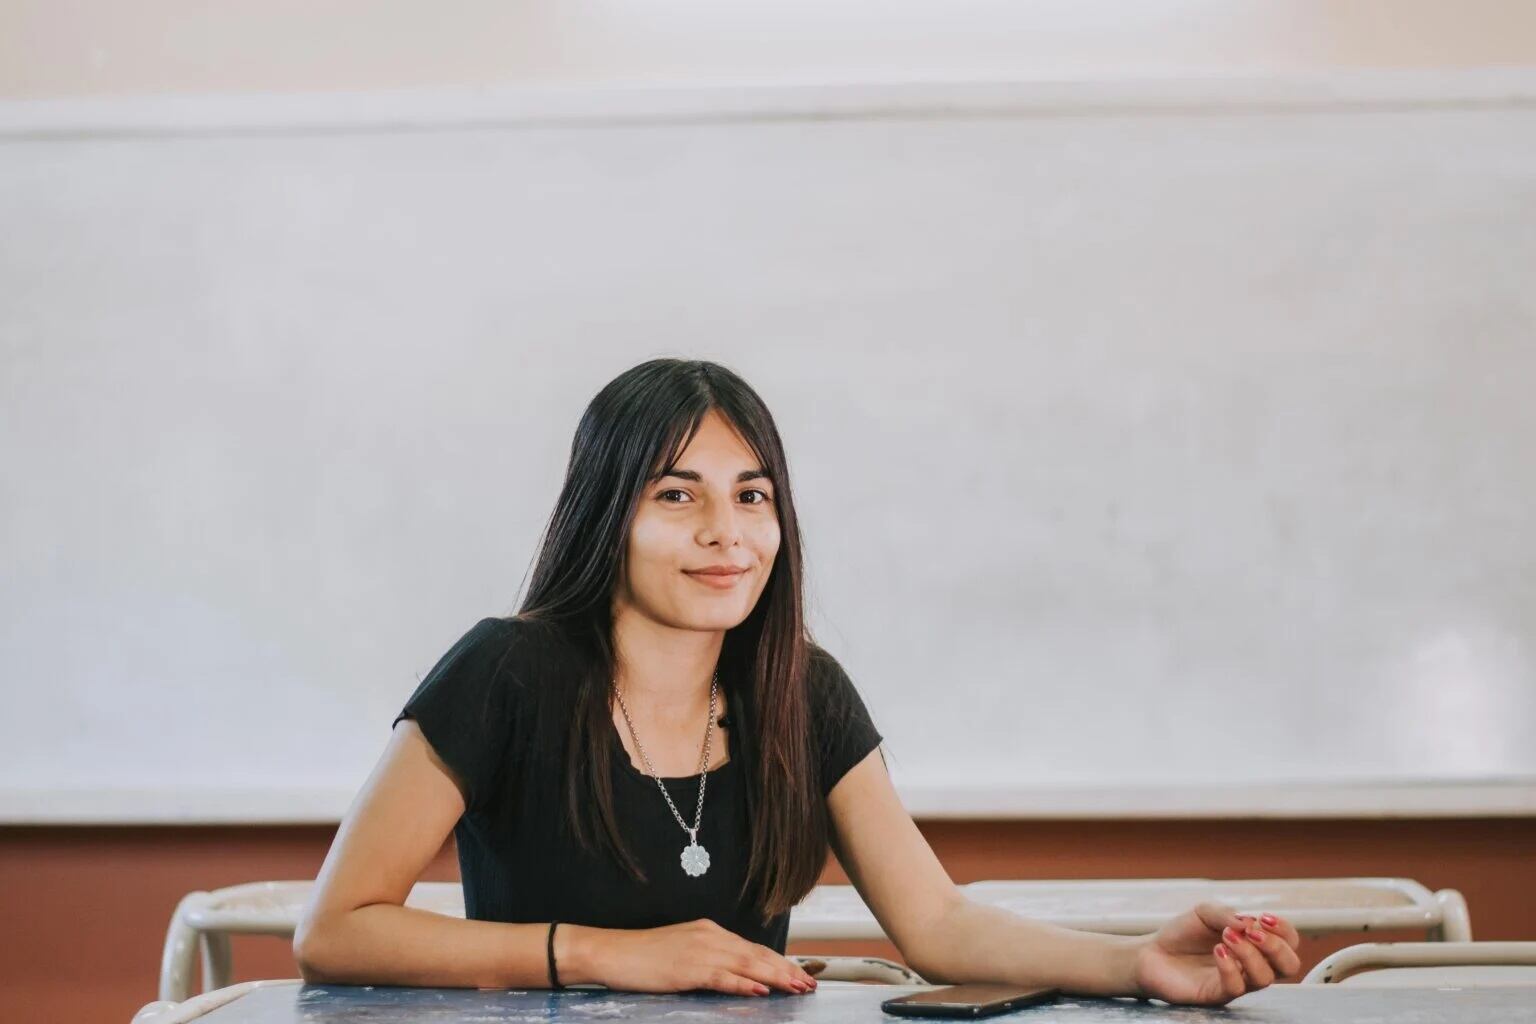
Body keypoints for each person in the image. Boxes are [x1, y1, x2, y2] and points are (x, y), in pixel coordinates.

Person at [293, 358, 1302, 1004]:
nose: (726, 531)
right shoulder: (504, 670)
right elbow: (334, 929)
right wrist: (605, 952)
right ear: (608, 517)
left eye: (752, 495)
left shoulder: (801, 688)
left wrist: (1137, 964)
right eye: (676, 494)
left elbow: (937, 924)